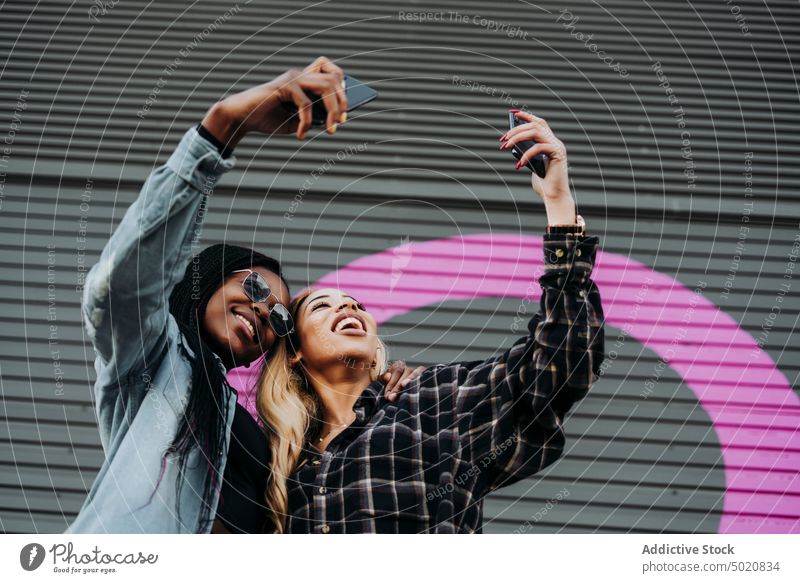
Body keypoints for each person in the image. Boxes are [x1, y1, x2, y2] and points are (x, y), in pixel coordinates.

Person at [66, 56, 421, 534]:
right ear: (211, 279)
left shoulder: (273, 429)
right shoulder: (153, 367)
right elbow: (120, 288)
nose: (262, 310)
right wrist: (223, 127)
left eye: (279, 316)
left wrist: (379, 389)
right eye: (253, 286)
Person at [256, 112, 605, 533]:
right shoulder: (276, 464)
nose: (348, 309)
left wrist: (559, 206)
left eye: (355, 304)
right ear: (294, 353)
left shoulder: (434, 404)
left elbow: (557, 364)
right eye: (322, 307)